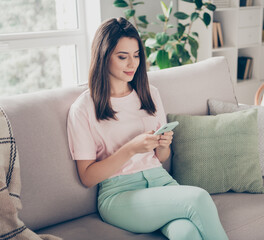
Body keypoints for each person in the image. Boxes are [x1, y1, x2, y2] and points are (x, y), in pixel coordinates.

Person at [67, 17, 228, 240]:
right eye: (123, 57)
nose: (132, 64)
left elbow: (160, 158)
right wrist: (130, 149)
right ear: (103, 57)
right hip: (119, 194)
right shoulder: (83, 108)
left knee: (186, 232)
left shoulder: (150, 93)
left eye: (136, 56)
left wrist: (163, 145)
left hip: (160, 181)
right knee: (198, 198)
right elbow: (86, 177)